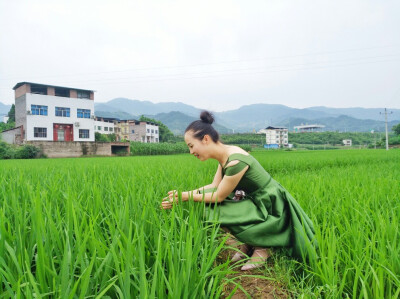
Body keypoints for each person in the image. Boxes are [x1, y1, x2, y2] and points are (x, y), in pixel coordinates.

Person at [162, 111, 316, 271]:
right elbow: (214, 185)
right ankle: (248, 244)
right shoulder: (225, 155)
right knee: (209, 207)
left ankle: (264, 247)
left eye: (191, 145)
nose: (191, 152)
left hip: (270, 204)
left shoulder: (235, 160)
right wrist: (183, 194)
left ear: (205, 139)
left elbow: (219, 196)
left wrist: (186, 197)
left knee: (215, 208)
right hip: (255, 200)